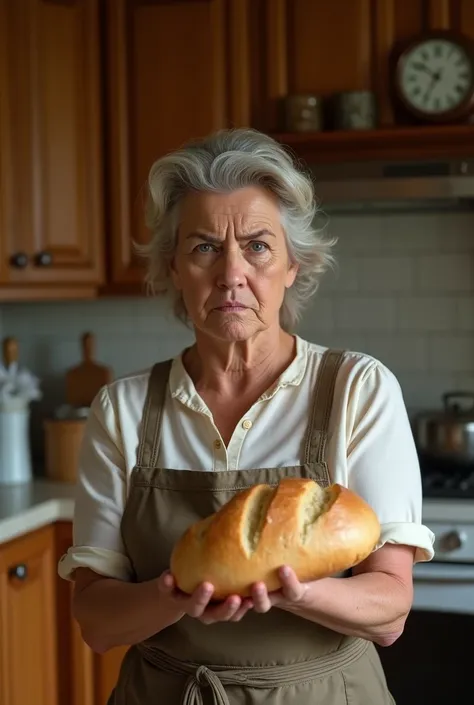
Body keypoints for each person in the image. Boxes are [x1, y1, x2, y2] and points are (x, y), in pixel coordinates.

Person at [58, 128, 435, 705]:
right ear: (174, 270)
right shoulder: (123, 409)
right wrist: (176, 594)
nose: (231, 273)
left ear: (293, 265)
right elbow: (97, 623)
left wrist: (293, 593)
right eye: (204, 247)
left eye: (258, 245)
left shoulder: (357, 389)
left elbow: (389, 612)